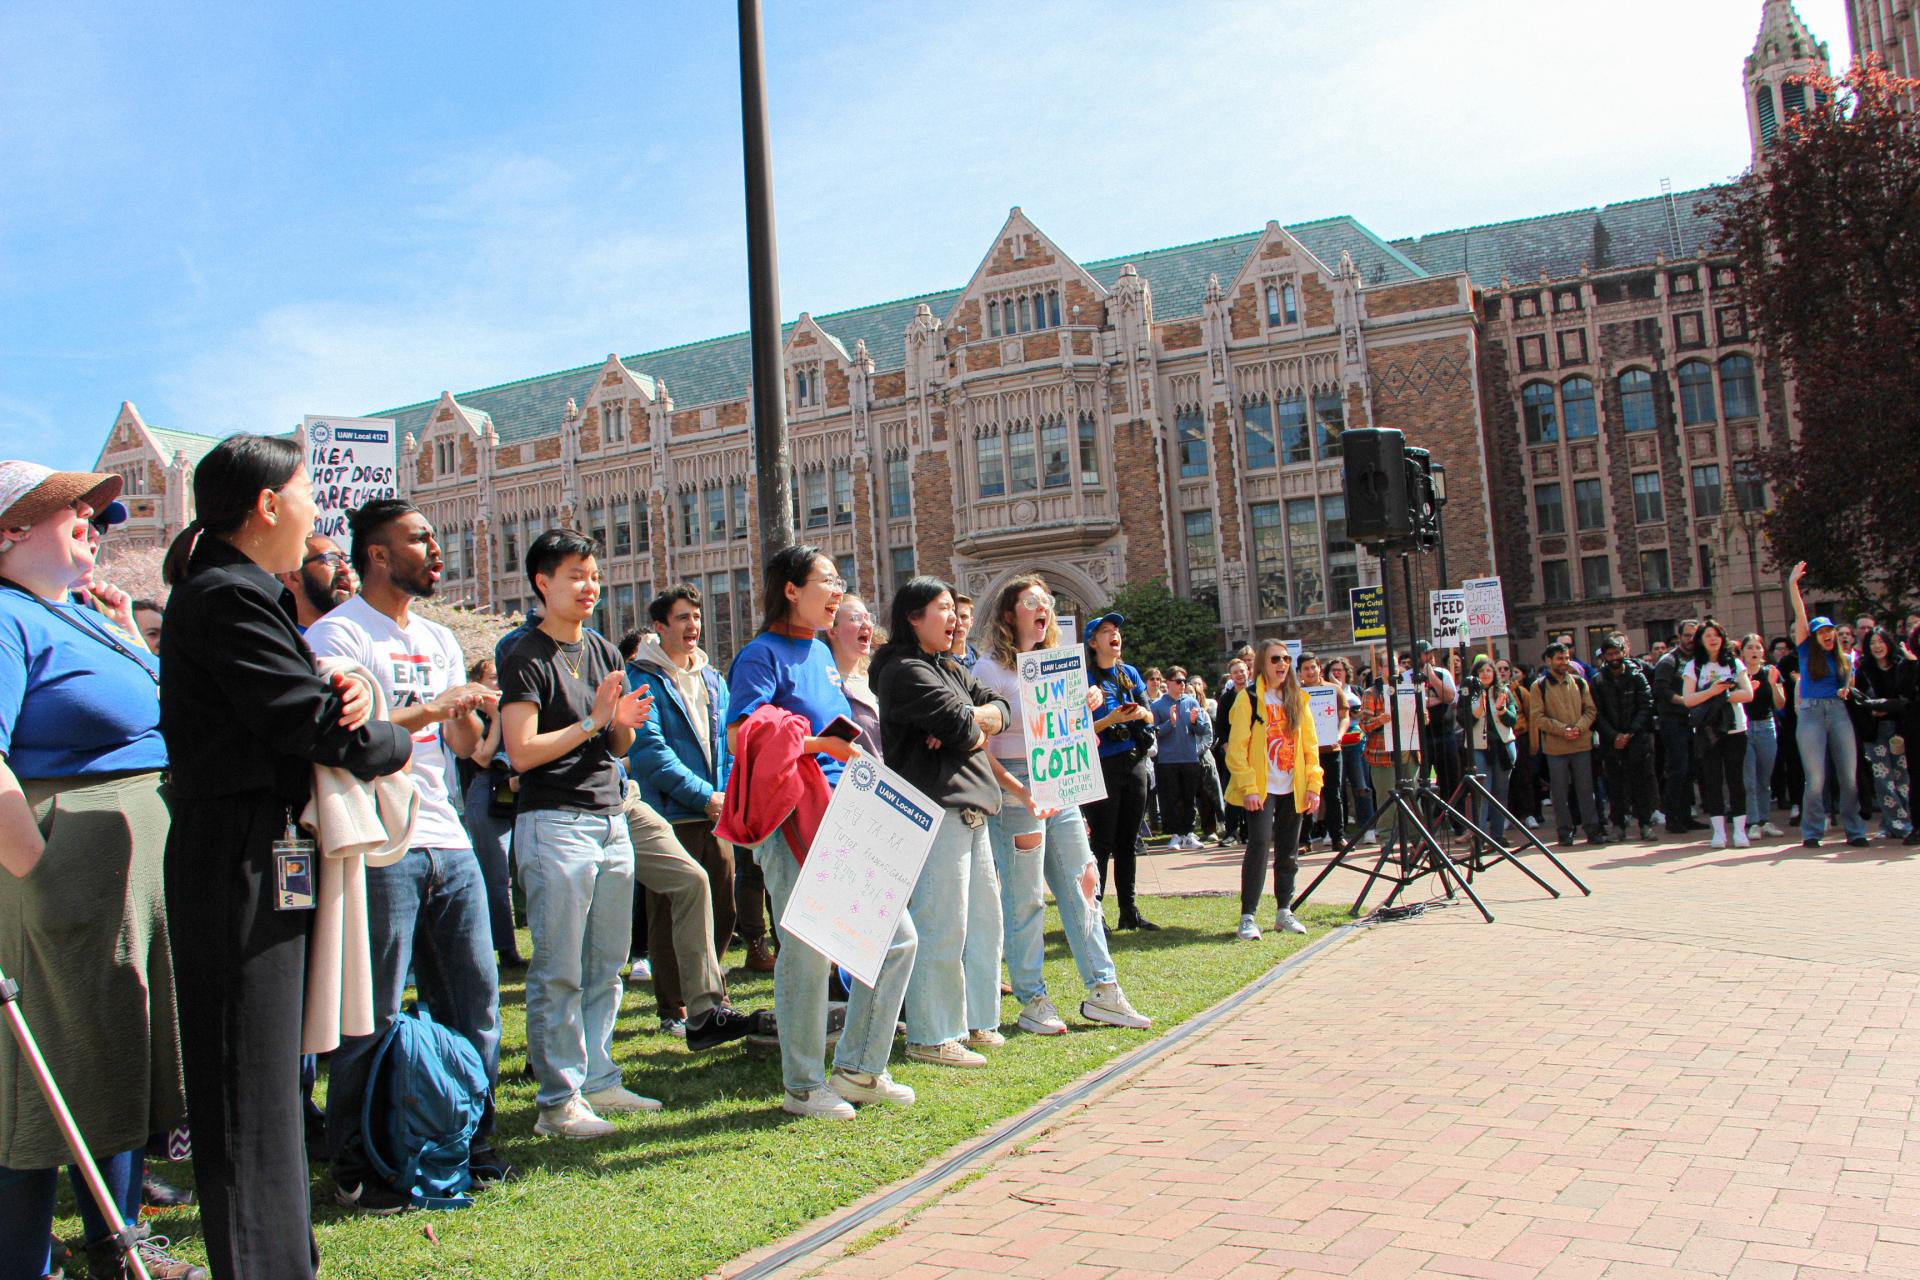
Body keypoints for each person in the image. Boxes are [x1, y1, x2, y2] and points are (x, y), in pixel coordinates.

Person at [158, 435, 412, 1278]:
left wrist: (340, 699)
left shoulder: (249, 595)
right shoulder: (225, 596)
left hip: (266, 843)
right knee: (246, 1080)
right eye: (307, 494)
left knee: (272, 1079)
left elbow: (302, 704)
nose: (316, 515)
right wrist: (387, 739)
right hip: (236, 850)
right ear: (267, 505)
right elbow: (303, 726)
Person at [0, 464, 200, 1280]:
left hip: (129, 862)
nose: (93, 521)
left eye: (97, 513)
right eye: (70, 511)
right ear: (9, 534)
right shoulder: (7, 617)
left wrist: (119, 631)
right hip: (69, 863)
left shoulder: (74, 614)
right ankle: (21, 1260)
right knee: (53, 1070)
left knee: (119, 1053)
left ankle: (117, 1244)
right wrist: (38, 873)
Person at [304, 498, 505, 1208]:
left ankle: (468, 1140)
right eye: (419, 539)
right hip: (382, 838)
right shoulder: (337, 636)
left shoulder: (441, 637)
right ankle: (358, 1164)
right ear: (378, 555)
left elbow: (461, 748)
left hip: (448, 837)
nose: (435, 549)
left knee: (475, 1000)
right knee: (374, 1010)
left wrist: (475, 716)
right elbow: (350, 735)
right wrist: (435, 706)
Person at [725, 545, 917, 1118]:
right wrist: (820, 746)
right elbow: (740, 737)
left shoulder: (818, 652)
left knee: (897, 938)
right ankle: (804, 1086)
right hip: (791, 818)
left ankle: (858, 1069)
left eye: (840, 582)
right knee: (807, 950)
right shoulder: (762, 655)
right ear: (791, 589)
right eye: (828, 582)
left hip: (846, 812)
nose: (838, 592)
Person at [499, 528, 661, 1140]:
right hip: (554, 822)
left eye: (593, 575)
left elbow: (618, 745)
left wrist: (618, 727)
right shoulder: (525, 656)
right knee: (559, 968)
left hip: (609, 816)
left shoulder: (603, 652)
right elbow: (520, 752)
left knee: (607, 964)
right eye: (575, 576)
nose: (589, 586)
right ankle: (557, 1101)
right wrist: (595, 721)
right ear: (543, 583)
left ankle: (599, 1078)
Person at [974, 575, 1151, 1037]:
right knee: (1025, 897)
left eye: (1047, 602)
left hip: (1059, 785)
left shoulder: (1059, 664)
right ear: (1009, 614)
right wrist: (1018, 790)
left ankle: (1104, 988)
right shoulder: (989, 671)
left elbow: (1073, 734)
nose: (1043, 608)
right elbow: (979, 746)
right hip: (1019, 791)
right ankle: (1033, 997)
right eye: (1031, 602)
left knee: (1083, 884)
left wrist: (1087, 705)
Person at [871, 578, 1011, 1065]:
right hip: (935, 809)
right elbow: (963, 728)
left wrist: (973, 719)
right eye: (942, 609)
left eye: (955, 609)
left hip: (973, 808)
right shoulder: (902, 670)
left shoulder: (948, 666)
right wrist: (968, 725)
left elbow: (1001, 710)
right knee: (942, 924)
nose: (953, 618)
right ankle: (932, 1034)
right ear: (913, 617)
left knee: (983, 923)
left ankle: (976, 1021)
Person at [624, 584, 762, 1041]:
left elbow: (727, 745)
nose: (693, 626)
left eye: (696, 618)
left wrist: (727, 796)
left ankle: (710, 993)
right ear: (659, 627)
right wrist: (704, 795)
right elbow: (650, 755)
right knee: (669, 910)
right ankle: (673, 1005)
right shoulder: (641, 677)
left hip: (717, 811)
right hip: (672, 813)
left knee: (721, 905)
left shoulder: (712, 678)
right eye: (682, 618)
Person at [1226, 640, 1323, 940]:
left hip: (1293, 788)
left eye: (1285, 659)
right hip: (1261, 788)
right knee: (1258, 846)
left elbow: (1310, 747)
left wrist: (1314, 785)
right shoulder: (1249, 698)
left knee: (1288, 852)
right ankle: (1248, 916)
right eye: (1275, 659)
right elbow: (1236, 750)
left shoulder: (1298, 699)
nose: (1282, 664)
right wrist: (1249, 788)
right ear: (1262, 665)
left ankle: (1284, 911)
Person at [1079, 615, 1158, 930]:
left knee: (1128, 840)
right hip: (1103, 764)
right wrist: (1109, 720)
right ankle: (1095, 915)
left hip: (1134, 760)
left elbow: (1151, 716)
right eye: (1105, 632)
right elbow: (1078, 731)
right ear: (1092, 642)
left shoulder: (1130, 673)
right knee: (1102, 842)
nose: (1114, 635)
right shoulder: (1085, 678)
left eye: (1116, 631)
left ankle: (1129, 911)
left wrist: (1140, 713)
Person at [1786, 563, 1868, 849]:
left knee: (1849, 778)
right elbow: (1800, 613)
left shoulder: (1845, 658)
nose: (1828, 636)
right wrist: (1793, 584)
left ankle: (1855, 830)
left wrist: (1847, 688)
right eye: (1822, 632)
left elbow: (1850, 684)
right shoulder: (1807, 650)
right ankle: (1812, 831)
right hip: (1810, 713)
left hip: (1837, 711)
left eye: (1831, 632)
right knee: (1816, 779)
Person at [459, 656, 525, 967]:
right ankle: (504, 949)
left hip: (518, 786)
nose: (499, 685)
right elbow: (483, 758)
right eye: (493, 678)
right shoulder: (467, 718)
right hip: (487, 790)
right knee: (496, 875)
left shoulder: (515, 708)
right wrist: (496, 718)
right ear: (477, 684)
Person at [1680, 621, 1754, 850]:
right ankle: (1719, 832)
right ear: (1700, 640)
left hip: (1735, 728)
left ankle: (1740, 831)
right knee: (1712, 780)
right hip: (1708, 731)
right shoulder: (1694, 666)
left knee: (1735, 779)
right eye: (1707, 635)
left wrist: (1726, 695)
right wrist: (1713, 691)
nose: (1712, 639)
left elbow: (1748, 693)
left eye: (1716, 635)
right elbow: (1688, 699)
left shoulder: (1734, 663)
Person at [1530, 643, 1606, 848]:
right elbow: (1538, 717)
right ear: (1548, 660)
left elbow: (1590, 710)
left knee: (1586, 790)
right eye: (1559, 659)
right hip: (1556, 748)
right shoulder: (1539, 686)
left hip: (1581, 745)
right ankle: (1564, 832)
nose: (1563, 662)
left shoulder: (1580, 683)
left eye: (1566, 658)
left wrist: (1579, 728)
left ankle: (1592, 829)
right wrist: (1562, 729)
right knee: (1560, 793)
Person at [1592, 635, 1659, 842]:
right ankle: (1618, 825)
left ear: (1624, 652)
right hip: (1611, 741)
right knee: (1615, 785)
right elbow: (1596, 713)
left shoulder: (1637, 676)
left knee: (1641, 783)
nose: (1614, 657)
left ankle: (1645, 824)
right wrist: (1614, 736)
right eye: (1609, 654)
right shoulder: (1598, 680)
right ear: (1603, 656)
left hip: (1637, 738)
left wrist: (1630, 732)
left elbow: (1646, 705)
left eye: (1617, 653)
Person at [1854, 626, 1915, 843]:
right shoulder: (1862, 670)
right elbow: (1859, 701)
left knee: (1903, 779)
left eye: (1881, 641)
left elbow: (1906, 698)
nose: (1877, 646)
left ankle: (1893, 823)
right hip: (1875, 731)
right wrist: (1873, 709)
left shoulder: (1901, 666)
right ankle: (1899, 824)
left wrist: (1887, 707)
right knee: (1883, 779)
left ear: (1888, 643)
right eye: (1872, 643)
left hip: (1900, 729)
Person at [1359, 648, 1423, 847]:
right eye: (1389, 665)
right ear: (1380, 668)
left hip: (1408, 752)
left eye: (1397, 665)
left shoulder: (1408, 688)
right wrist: (1381, 719)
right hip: (1382, 754)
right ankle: (1386, 838)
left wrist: (1423, 718)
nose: (1395, 669)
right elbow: (1364, 724)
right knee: (1388, 798)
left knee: (1413, 796)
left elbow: (1418, 718)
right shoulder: (1372, 692)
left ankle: (1417, 838)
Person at [1456, 654, 1519, 847]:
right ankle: (1479, 836)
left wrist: (1501, 710)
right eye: (1481, 671)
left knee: (1500, 792)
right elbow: (1462, 721)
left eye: (1489, 670)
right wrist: (1476, 712)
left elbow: (1512, 720)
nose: (1485, 674)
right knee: (1482, 792)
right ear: (1475, 674)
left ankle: (1497, 835)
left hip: (1501, 747)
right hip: (1478, 748)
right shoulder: (1468, 693)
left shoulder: (1504, 692)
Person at [1149, 666, 1209, 851]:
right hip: (1168, 760)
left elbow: (1201, 730)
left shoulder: (1191, 702)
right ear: (1168, 683)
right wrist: (1170, 723)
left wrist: (1194, 722)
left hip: (1190, 757)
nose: (1182, 684)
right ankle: (1175, 834)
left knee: (1189, 797)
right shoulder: (1158, 705)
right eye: (1178, 681)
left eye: (1184, 681)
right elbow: (1154, 733)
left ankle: (1189, 833)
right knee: (1171, 797)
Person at [1650, 620, 1701, 834]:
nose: (1691, 640)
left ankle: (1686, 816)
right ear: (1679, 637)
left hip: (1694, 721)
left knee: (1690, 770)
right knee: (1677, 770)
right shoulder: (1668, 660)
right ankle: (1672, 818)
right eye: (1687, 635)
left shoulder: (1700, 659)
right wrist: (1685, 700)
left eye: (1694, 635)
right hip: (1673, 721)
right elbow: (1660, 690)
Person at [1297, 653, 1347, 852]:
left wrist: (1339, 735)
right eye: (1306, 668)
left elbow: (1344, 716)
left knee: (1333, 794)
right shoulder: (1295, 693)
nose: (1310, 671)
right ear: (1299, 672)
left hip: (1330, 749)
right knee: (1304, 795)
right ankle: (1304, 841)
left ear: (1319, 667)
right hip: (1305, 753)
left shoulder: (1333, 690)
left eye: (1313, 667)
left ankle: (1338, 838)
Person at [1741, 634, 1787, 839]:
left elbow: (1780, 704)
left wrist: (1772, 684)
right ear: (1742, 652)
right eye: (1749, 647)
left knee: (1764, 779)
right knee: (1749, 779)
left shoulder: (1771, 671)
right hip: (1744, 728)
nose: (1754, 651)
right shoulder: (1738, 673)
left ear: (1763, 651)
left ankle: (1765, 819)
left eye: (1757, 647)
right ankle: (1752, 822)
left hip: (1766, 727)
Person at [828, 594, 882, 751]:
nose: (866, 624)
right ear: (832, 631)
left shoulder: (880, 677)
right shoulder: (828, 684)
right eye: (855, 618)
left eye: (868, 617)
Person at [276, 533, 357, 630]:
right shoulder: (274, 639)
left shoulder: (363, 635)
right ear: (292, 576)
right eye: (330, 559)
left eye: (346, 560)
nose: (345, 569)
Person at [1215, 656, 1252, 844]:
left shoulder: (1256, 694)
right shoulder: (1226, 699)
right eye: (1236, 672)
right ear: (1231, 675)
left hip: (1254, 752)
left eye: (1242, 671)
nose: (1240, 675)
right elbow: (1220, 726)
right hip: (1233, 753)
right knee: (1232, 791)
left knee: (1251, 790)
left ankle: (1249, 832)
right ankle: (1231, 832)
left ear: (1248, 672)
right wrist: (1227, 746)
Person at [949, 593, 978, 668]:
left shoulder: (981, 662)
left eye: (964, 617)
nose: (959, 623)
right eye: (953, 616)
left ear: (971, 621)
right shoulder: (936, 664)